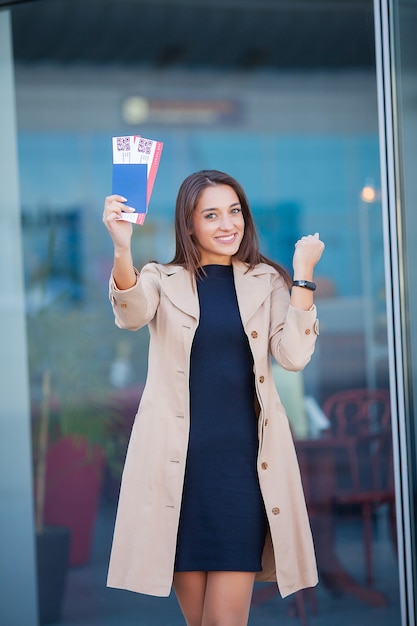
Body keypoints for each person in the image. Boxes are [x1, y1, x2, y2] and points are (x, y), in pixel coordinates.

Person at [102, 169, 324, 626]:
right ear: (189, 225)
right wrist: (122, 248)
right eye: (212, 215)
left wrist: (302, 276)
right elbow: (131, 312)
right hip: (177, 474)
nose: (228, 224)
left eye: (235, 211)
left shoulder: (268, 281)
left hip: (243, 472)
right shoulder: (161, 278)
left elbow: (294, 355)